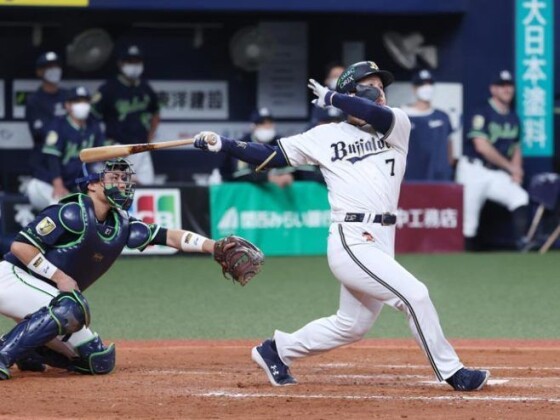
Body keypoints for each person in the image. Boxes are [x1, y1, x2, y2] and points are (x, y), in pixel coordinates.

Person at [193, 60, 490, 392]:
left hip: (382, 239)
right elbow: (271, 155)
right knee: (415, 295)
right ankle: (453, 372)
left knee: (352, 326)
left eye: (382, 87)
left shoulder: (396, 124)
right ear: (353, 92)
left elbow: (375, 114)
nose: (380, 93)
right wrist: (225, 144)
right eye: (371, 86)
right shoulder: (325, 136)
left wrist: (334, 98)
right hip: (351, 239)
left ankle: (276, 350)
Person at [0, 158, 259, 380]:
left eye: (124, 179)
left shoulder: (122, 224)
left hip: (46, 301)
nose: (122, 184)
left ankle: (27, 350)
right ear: (92, 184)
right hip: (12, 278)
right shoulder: (71, 212)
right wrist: (60, 277)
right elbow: (21, 247)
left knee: (97, 360)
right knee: (72, 308)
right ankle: (4, 353)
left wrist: (213, 246)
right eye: (114, 178)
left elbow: (169, 237)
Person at [456, 70, 529, 251]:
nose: (506, 89)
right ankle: (463, 262)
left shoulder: (514, 117)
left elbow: (516, 147)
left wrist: (517, 170)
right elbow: (482, 146)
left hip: (495, 172)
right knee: (469, 223)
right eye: (501, 86)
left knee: (520, 197)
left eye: (509, 85)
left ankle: (524, 246)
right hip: (473, 170)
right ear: (493, 89)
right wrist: (511, 168)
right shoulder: (482, 112)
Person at [25, 86, 104, 211]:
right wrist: (57, 184)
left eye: (85, 101)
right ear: (67, 105)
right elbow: (52, 157)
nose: (82, 105)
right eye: (77, 101)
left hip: (72, 186)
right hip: (47, 183)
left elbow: (99, 158)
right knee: (60, 209)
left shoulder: (93, 126)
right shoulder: (58, 125)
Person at [91, 45, 160, 185]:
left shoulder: (145, 88)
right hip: (117, 149)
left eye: (137, 62)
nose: (134, 66)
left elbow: (155, 113)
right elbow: (91, 119)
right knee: (117, 192)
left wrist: (149, 138)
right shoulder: (108, 89)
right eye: (129, 62)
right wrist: (105, 143)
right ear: (120, 64)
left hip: (141, 148)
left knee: (147, 189)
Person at [220, 107, 296, 188]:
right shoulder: (242, 143)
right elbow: (242, 174)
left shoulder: (280, 142)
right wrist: (269, 178)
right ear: (253, 126)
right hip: (246, 195)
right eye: (262, 124)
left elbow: (290, 168)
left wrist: (289, 175)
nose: (267, 127)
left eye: (269, 123)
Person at [401, 69, 454, 181]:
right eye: (422, 84)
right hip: (412, 177)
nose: (427, 88)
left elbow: (449, 144)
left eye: (429, 84)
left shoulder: (442, 116)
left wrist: (447, 167)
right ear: (414, 88)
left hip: (440, 178)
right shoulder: (402, 115)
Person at [25, 51, 69, 183]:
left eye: (56, 66)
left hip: (69, 157)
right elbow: (42, 133)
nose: (54, 70)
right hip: (44, 161)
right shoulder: (34, 100)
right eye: (49, 67)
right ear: (39, 72)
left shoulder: (68, 96)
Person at [309, 62, 345, 128]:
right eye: (335, 76)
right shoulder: (320, 101)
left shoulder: (354, 99)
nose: (339, 80)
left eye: (342, 77)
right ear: (327, 80)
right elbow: (314, 124)